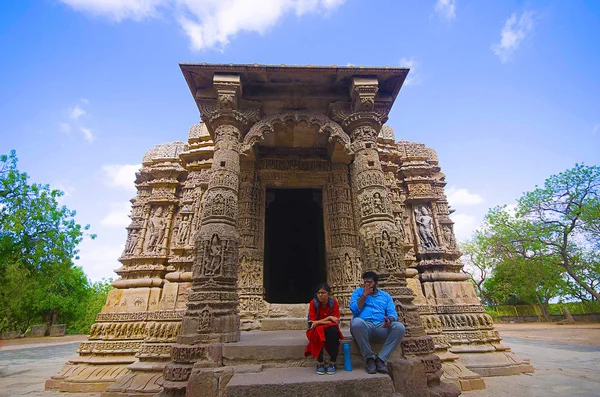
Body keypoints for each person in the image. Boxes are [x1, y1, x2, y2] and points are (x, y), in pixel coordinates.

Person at [349, 271, 406, 374]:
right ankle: (369, 359)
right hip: (364, 326)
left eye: (370, 282)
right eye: (365, 282)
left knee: (399, 327)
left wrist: (390, 320)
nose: (367, 285)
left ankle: (381, 359)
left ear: (376, 284)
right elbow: (354, 309)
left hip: (381, 326)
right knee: (356, 323)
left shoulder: (385, 296)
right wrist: (365, 295)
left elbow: (392, 313)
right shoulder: (358, 293)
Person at [304, 283, 344, 375]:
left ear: (328, 294)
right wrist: (329, 318)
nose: (320, 295)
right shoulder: (313, 303)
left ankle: (333, 362)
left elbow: (336, 321)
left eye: (323, 293)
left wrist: (319, 322)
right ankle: (320, 362)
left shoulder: (333, 302)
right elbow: (313, 323)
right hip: (316, 328)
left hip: (327, 327)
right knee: (317, 332)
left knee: (334, 331)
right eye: (318, 293)